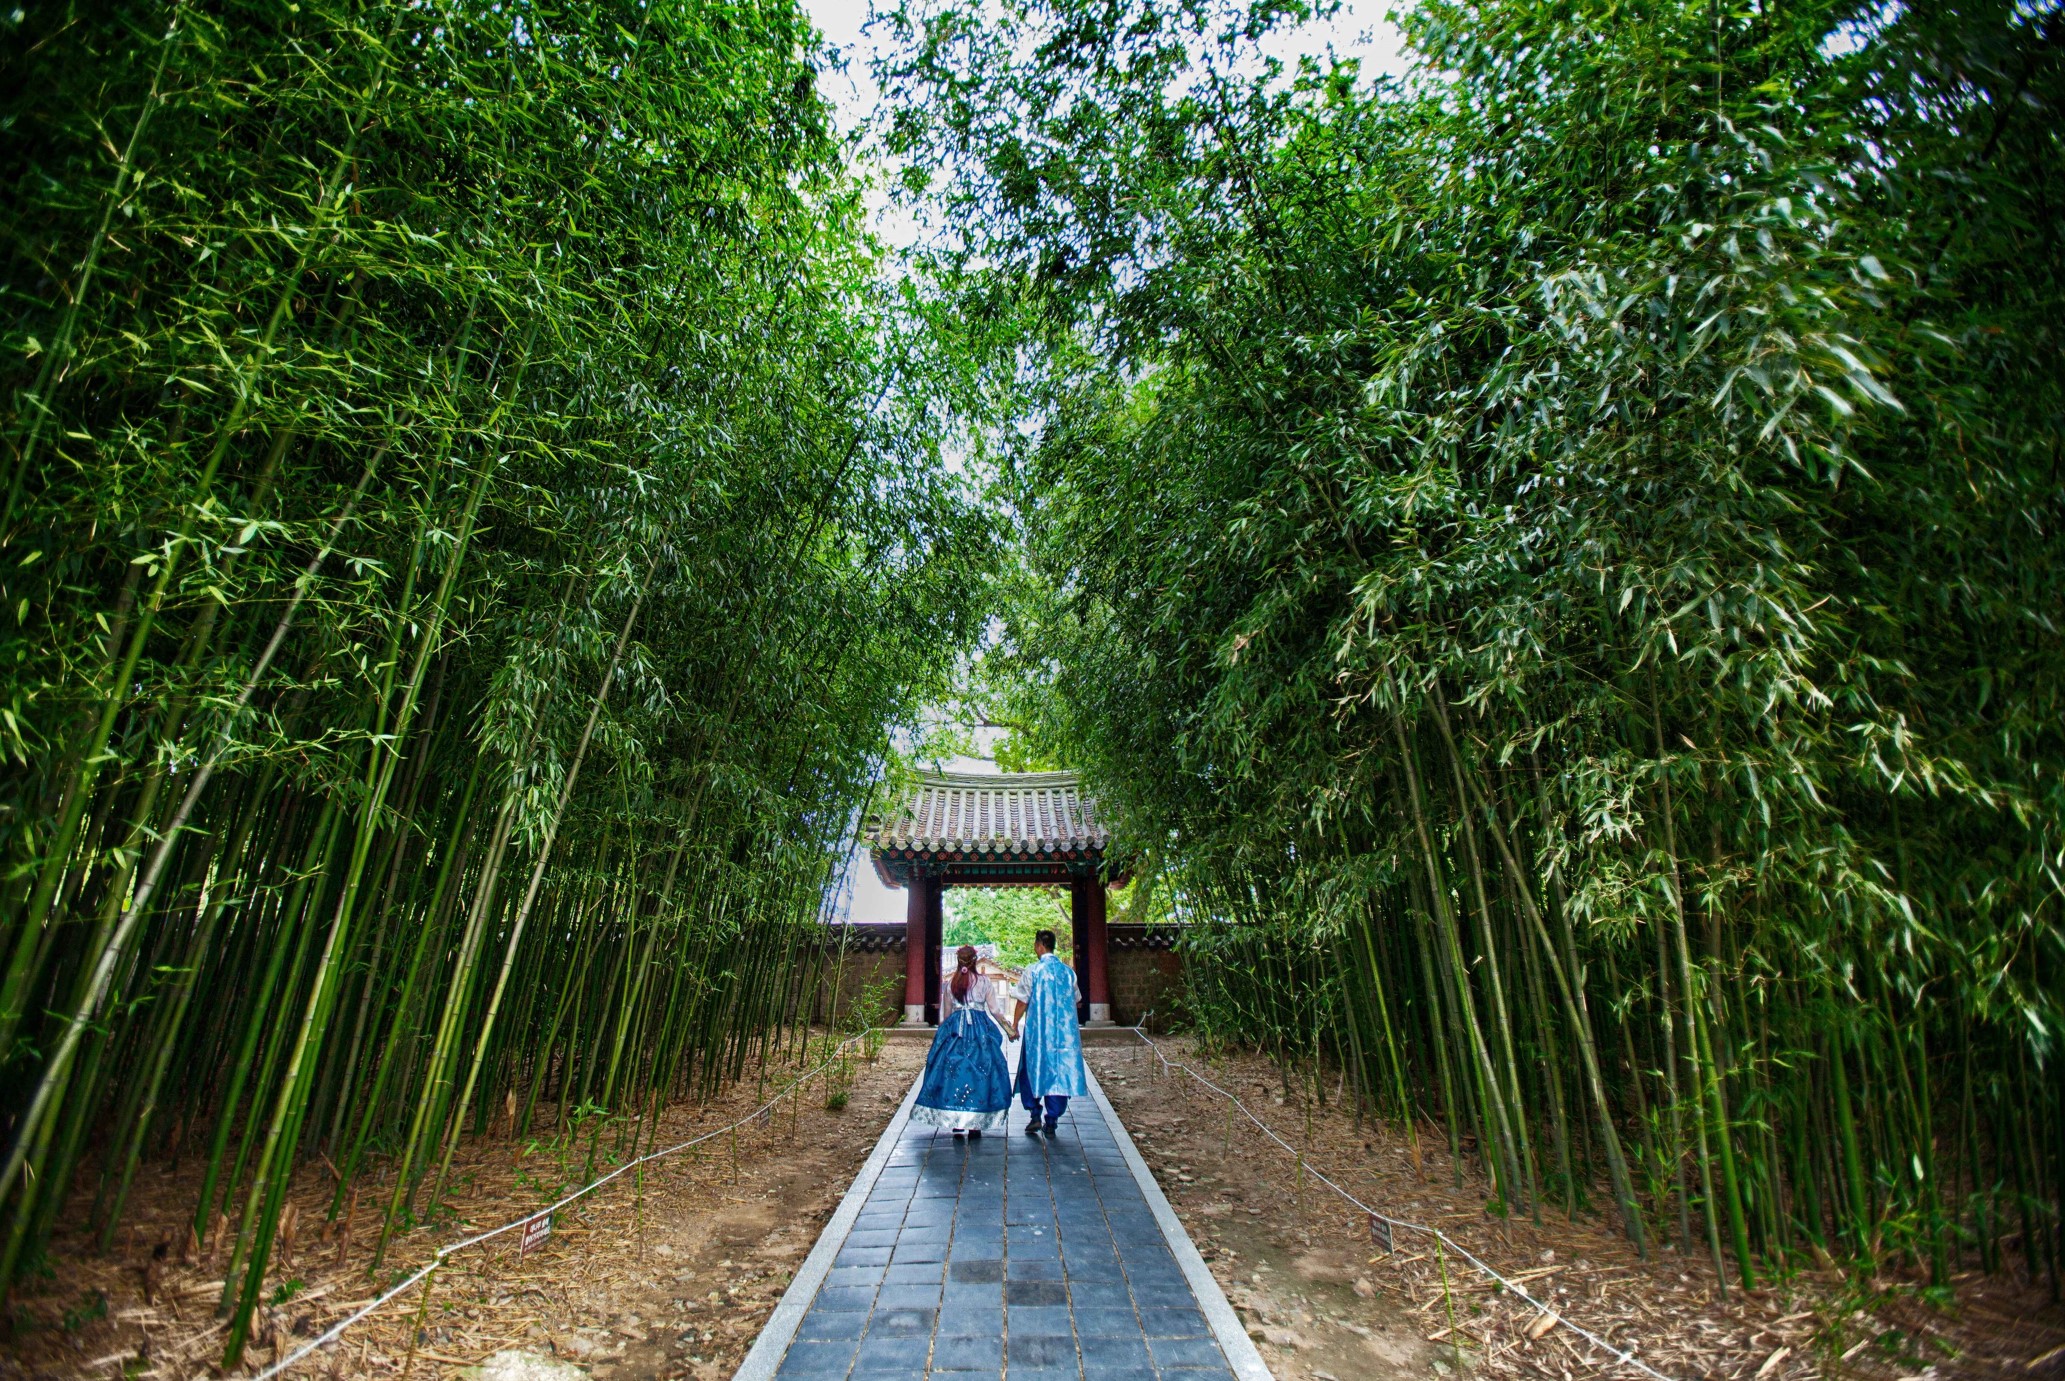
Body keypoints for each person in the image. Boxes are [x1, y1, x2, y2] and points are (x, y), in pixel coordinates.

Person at [912, 945, 1013, 1137]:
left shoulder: (951, 984)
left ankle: (956, 1121)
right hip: (980, 1032)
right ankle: (975, 1123)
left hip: (955, 1031)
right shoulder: (984, 982)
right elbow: (995, 1010)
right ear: (975, 961)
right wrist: (1009, 1030)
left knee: (952, 1073)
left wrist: (941, 1038)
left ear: (958, 962)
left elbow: (945, 1015)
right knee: (980, 1073)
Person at [1008, 929, 1088, 1135]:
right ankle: (1052, 1118)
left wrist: (1014, 1025)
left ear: (1039, 945)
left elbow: (1022, 1001)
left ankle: (1034, 1113)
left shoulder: (1033, 970)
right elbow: (1076, 999)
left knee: (1032, 1068)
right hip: (1063, 1037)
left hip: (1038, 1033)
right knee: (1059, 1072)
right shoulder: (1068, 973)